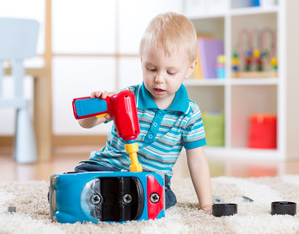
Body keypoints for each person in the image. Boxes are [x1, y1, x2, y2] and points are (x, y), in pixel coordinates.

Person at [75, 12, 213, 213]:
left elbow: (198, 160)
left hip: (149, 180)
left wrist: (206, 204)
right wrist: (97, 107)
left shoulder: (190, 114)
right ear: (142, 61)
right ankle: (109, 200)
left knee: (164, 197)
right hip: (107, 168)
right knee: (74, 181)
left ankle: (111, 202)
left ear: (190, 69)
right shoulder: (127, 97)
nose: (159, 79)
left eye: (170, 72)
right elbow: (85, 124)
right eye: (151, 69)